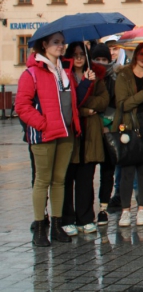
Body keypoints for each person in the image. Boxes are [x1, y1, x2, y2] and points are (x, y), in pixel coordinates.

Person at [16, 31, 81, 247]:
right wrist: (43, 124)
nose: (61, 46)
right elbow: (22, 107)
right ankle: (40, 228)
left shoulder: (64, 72)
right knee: (42, 181)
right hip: (44, 134)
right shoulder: (31, 73)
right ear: (44, 45)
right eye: (56, 42)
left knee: (59, 180)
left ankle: (57, 225)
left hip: (65, 133)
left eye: (62, 42)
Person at [62, 41, 109, 236]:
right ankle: (67, 218)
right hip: (71, 132)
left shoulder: (95, 74)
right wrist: (82, 110)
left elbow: (104, 100)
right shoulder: (64, 75)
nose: (79, 57)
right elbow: (68, 102)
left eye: (82, 54)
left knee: (86, 176)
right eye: (75, 54)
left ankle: (85, 217)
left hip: (90, 133)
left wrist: (87, 105)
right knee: (67, 177)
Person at [112, 43, 143, 228]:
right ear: (135, 55)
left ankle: (141, 209)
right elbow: (123, 104)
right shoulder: (124, 75)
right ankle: (125, 211)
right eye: (141, 54)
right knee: (127, 171)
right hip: (129, 128)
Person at [89, 42, 117, 226]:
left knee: (107, 172)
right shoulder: (88, 77)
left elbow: (116, 103)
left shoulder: (114, 79)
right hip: (91, 131)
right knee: (88, 172)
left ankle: (103, 209)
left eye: (104, 59)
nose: (101, 62)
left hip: (109, 130)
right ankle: (86, 208)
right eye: (97, 59)